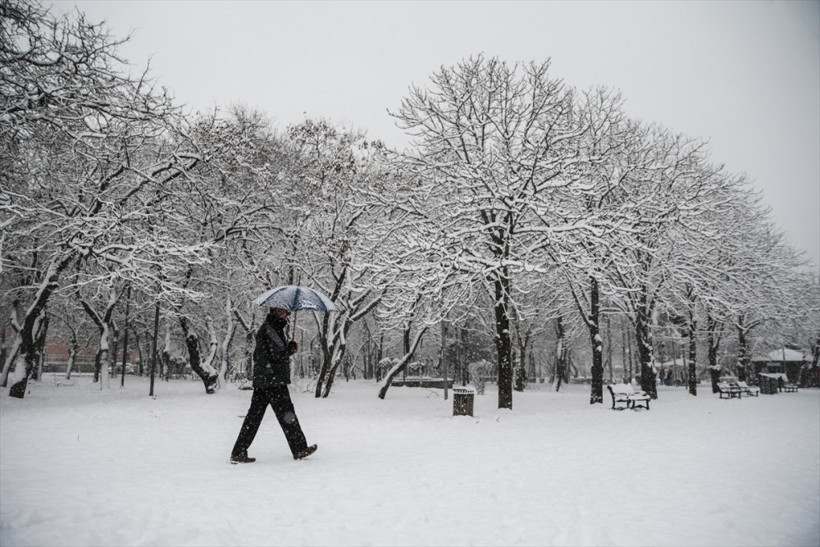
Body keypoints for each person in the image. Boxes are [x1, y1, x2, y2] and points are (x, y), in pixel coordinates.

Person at [230, 307, 317, 463]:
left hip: (265, 379)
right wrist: (289, 350)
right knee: (287, 414)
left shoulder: (272, 328)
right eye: (284, 312)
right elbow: (275, 354)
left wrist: (287, 348)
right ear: (276, 311)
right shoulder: (270, 330)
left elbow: (270, 353)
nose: (287, 315)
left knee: (254, 417)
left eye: (287, 313)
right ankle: (299, 448)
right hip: (272, 380)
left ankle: (239, 451)